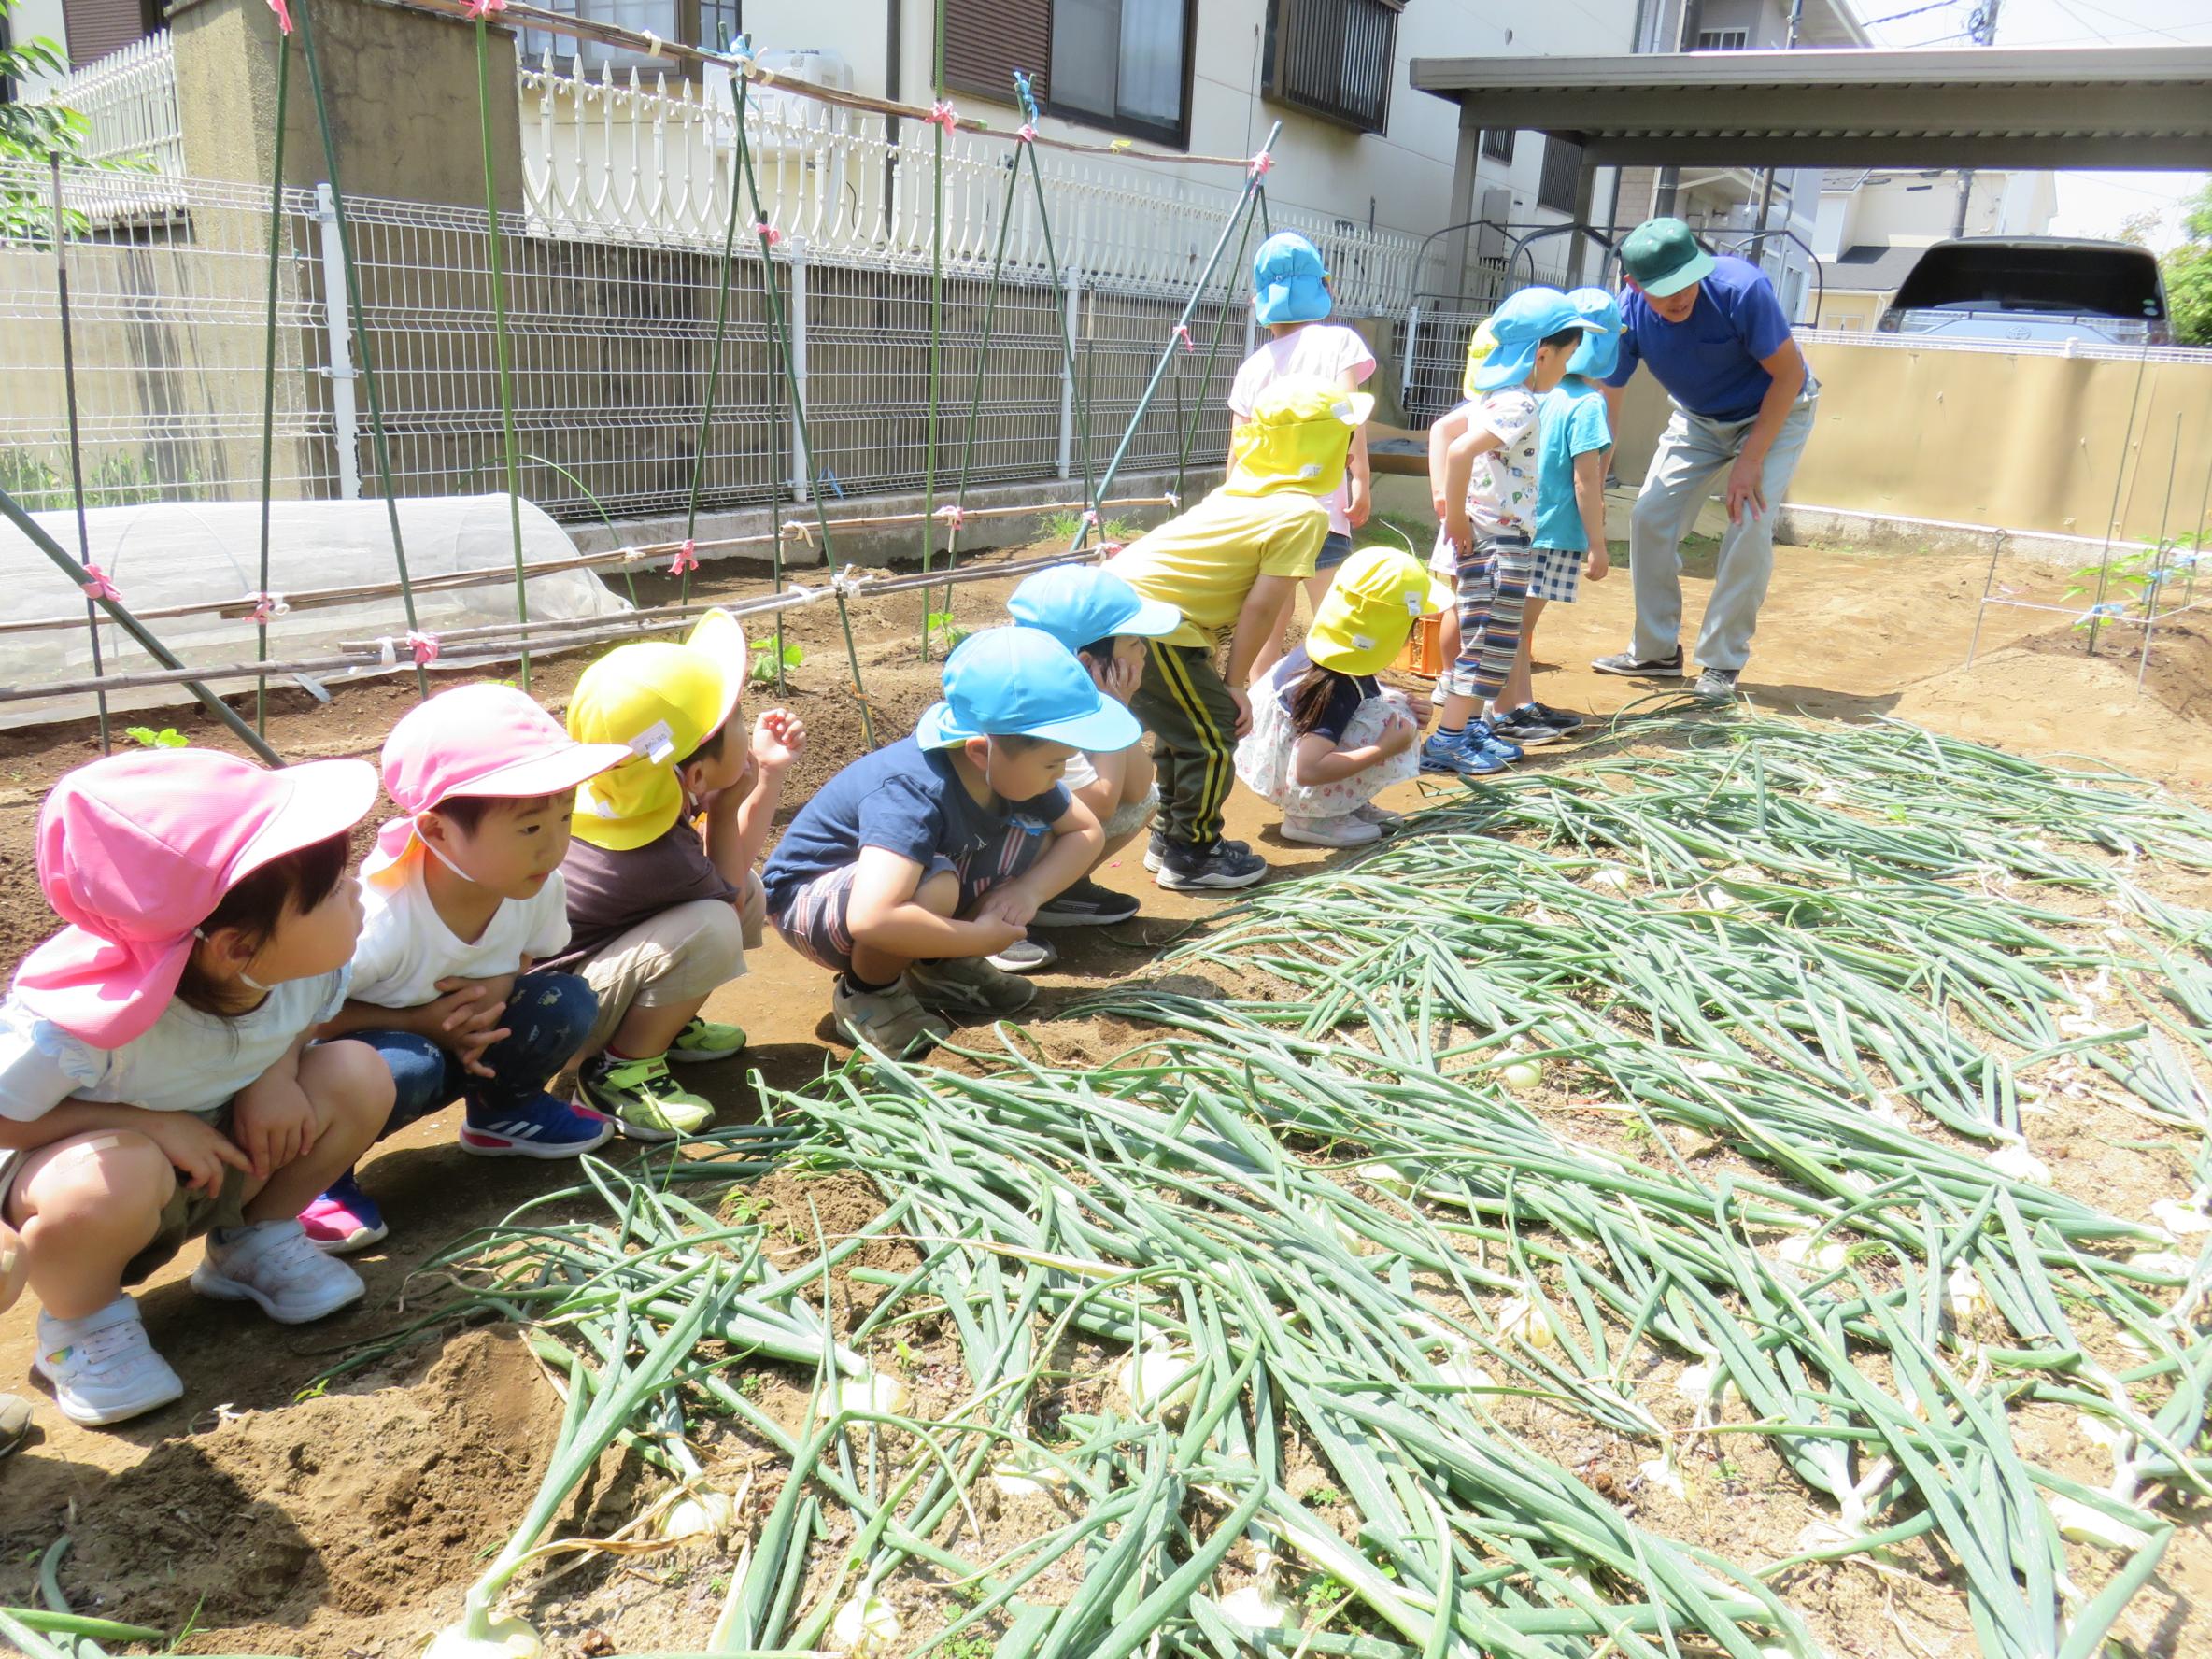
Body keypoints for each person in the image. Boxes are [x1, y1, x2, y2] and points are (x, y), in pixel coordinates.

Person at [0, 750, 392, 1426]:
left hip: (223, 1159)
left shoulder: (302, 968)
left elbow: (297, 1029)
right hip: (94, 1187)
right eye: (330, 892)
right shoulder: (81, 1024)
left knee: (356, 1075)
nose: (357, 890)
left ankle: (252, 1243)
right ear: (238, 948)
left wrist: (274, 1075)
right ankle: (81, 1327)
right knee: (112, 1173)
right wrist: (149, 1123)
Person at [300, 685, 633, 1252]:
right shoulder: (380, 918)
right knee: (408, 1066)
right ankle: (317, 1177)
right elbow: (305, 1019)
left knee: (565, 1001)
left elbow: (526, 958)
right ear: (436, 831)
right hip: (371, 1061)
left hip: (470, 1036)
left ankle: (505, 1111)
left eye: (564, 817)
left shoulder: (535, 886)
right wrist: (426, 1023)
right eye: (529, 828)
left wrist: (493, 995)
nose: (553, 846)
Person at [761, 628, 1129, 1057]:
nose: (1059, 774)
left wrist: (1026, 891)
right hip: (810, 903)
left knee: (1028, 828)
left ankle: (940, 969)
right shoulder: (911, 792)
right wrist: (977, 938)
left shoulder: (1010, 771)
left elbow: (1085, 832)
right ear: (979, 751)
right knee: (934, 881)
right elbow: (872, 916)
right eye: (1053, 762)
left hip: (885, 898)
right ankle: (868, 992)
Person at [546, 610, 805, 1141]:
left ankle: (660, 1025)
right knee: (714, 923)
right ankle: (619, 1071)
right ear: (695, 774)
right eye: (735, 720)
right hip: (562, 1024)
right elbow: (724, 902)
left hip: (570, 989)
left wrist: (766, 775)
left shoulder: (622, 792)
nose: (744, 723)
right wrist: (734, 797)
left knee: (737, 896)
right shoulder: (657, 855)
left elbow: (730, 874)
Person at [1104, 376, 1368, 892]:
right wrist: (1236, 683)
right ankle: (1194, 855)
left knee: (1185, 731)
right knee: (1211, 734)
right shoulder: (1301, 514)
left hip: (1123, 615)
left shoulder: (1244, 491)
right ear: (1323, 446)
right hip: (1153, 626)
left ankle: (1173, 835)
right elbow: (1263, 605)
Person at [1592, 217, 1818, 700]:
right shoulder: (1626, 314)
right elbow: (1610, 399)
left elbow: (1789, 375)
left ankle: (1721, 661)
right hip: (1698, 419)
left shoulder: (1741, 288)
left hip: (1775, 412)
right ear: (1634, 285)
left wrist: (1751, 459)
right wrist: (1594, 477)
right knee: (1650, 516)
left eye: (1688, 281)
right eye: (1666, 289)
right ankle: (1654, 650)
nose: (1681, 297)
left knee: (1748, 522)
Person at [1422, 288, 1600, 778]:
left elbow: (1450, 436)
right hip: (1497, 539)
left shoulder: (1494, 396)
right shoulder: (1519, 403)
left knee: (1496, 639)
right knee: (1485, 641)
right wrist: (1454, 516)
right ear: (1542, 354)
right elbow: (1457, 452)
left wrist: (1458, 514)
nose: (1567, 368)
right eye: (1566, 357)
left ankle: (1471, 728)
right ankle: (1448, 740)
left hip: (1499, 535)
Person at [1231, 231, 1377, 682]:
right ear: (1324, 287)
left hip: (1265, 514)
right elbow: (1348, 418)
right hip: (1320, 511)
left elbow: (1240, 451)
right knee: (1332, 617)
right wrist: (1361, 479)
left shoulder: (1253, 366)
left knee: (1266, 625)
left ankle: (1255, 714)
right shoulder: (1339, 343)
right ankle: (1330, 715)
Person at [1235, 546, 1452, 846]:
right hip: (1293, 771)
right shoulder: (1334, 686)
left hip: (1282, 750)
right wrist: (1382, 748)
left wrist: (1405, 704)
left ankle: (1345, 803)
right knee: (1385, 724)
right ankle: (1313, 817)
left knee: (1395, 708)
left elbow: (1367, 698)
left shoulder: (1338, 653)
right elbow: (1309, 768)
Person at [1005, 564, 1181, 928]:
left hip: (1029, 830)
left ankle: (1057, 889)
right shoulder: (1042, 709)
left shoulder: (1063, 688)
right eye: (1133, 642)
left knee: (1146, 798)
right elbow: (1100, 805)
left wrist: (1116, 708)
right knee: (1091, 820)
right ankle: (1004, 911)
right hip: (987, 846)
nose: (1144, 651)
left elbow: (1136, 789)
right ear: (1086, 663)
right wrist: (1112, 707)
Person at [1487, 285, 1622, 749]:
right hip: (1554, 530)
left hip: (1521, 524)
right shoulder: (1586, 403)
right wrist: (1598, 544)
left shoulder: (1536, 392)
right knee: (1516, 624)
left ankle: (1520, 702)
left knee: (1519, 624)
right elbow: (1588, 481)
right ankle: (1504, 709)